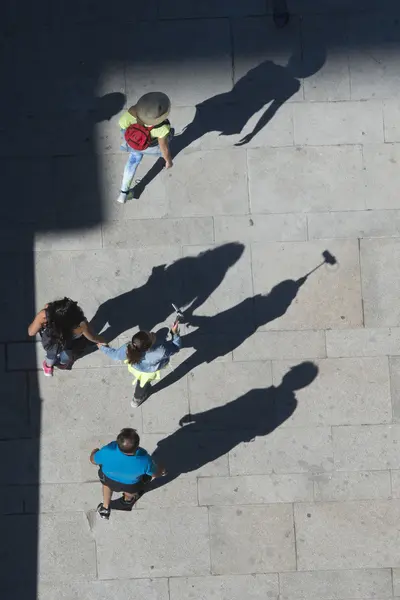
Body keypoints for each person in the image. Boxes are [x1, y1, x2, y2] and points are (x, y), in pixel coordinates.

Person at [98, 323, 181, 407]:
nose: (152, 333)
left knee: (141, 382)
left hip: (135, 367)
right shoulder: (161, 351)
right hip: (148, 373)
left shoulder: (129, 347)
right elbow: (176, 347)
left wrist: (102, 347)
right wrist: (175, 333)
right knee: (142, 384)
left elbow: (115, 355)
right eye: (151, 336)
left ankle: (137, 398)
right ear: (148, 348)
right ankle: (137, 399)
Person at [90, 428, 165, 520]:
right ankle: (128, 501)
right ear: (137, 446)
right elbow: (155, 474)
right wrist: (161, 471)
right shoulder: (145, 459)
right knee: (131, 492)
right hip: (131, 484)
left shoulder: (107, 451)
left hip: (108, 478)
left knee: (106, 486)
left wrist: (95, 451)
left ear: (118, 442)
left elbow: (93, 460)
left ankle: (105, 507)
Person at [117, 91, 173, 204]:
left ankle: (124, 193)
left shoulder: (131, 112)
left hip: (133, 143)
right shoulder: (163, 127)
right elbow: (164, 148)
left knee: (132, 161)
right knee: (170, 134)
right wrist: (168, 161)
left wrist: (133, 139)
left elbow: (122, 125)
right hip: (146, 145)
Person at [28, 297, 106, 377]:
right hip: (67, 343)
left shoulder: (44, 315)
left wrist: (41, 317)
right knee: (66, 355)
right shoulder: (81, 326)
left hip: (50, 342)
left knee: (51, 356)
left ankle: (48, 367)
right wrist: (102, 340)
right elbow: (92, 337)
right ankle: (62, 364)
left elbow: (31, 332)